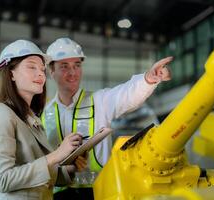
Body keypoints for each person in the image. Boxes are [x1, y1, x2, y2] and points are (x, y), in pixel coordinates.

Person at [42, 37, 173, 199]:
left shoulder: (99, 101)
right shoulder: (43, 114)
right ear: (51, 70)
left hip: (100, 192)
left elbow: (127, 95)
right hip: (59, 195)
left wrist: (149, 79)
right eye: (64, 66)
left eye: (77, 65)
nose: (73, 72)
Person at [0, 39, 83, 200]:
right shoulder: (1, 113)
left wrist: (70, 166)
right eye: (31, 67)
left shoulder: (31, 117)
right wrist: (57, 155)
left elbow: (42, 176)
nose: (40, 74)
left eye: (42, 69)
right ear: (10, 73)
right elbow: (3, 180)